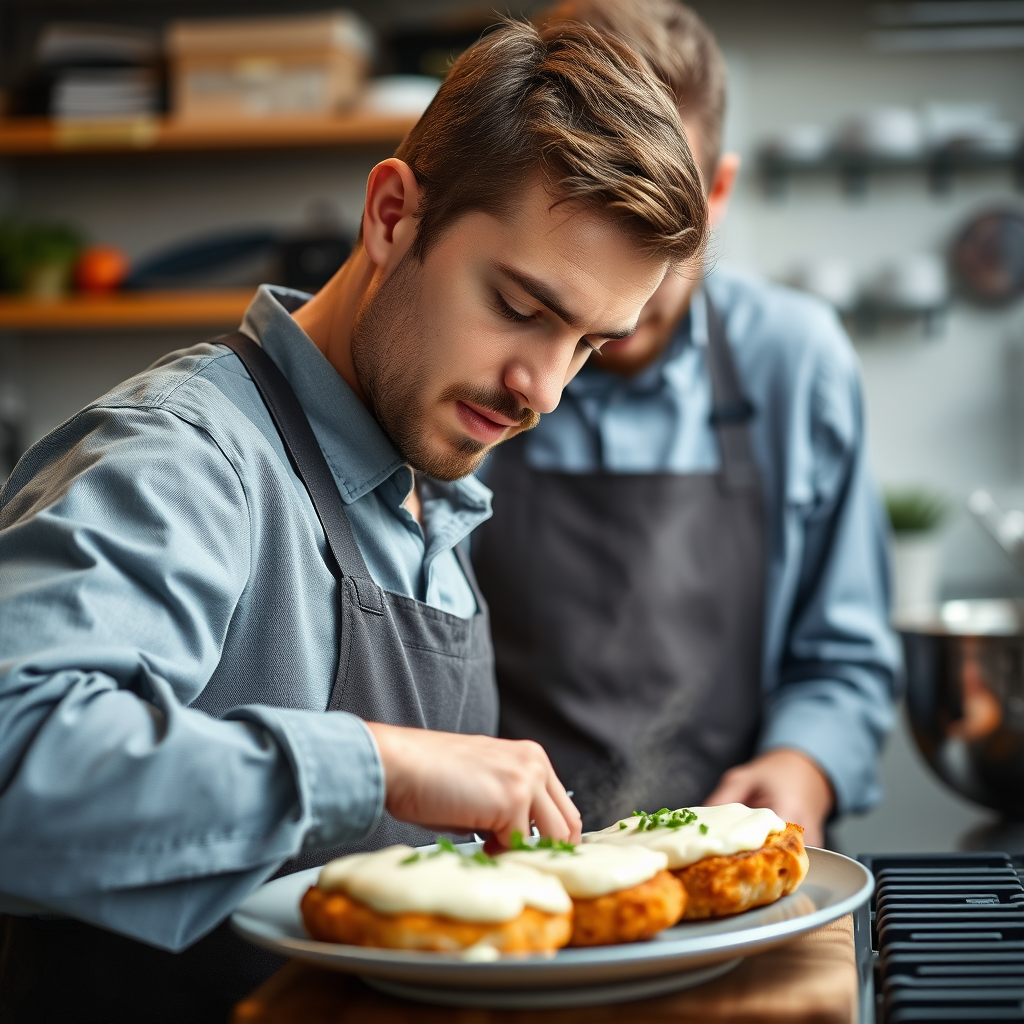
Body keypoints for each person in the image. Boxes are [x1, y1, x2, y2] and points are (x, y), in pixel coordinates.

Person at [0, 19, 707, 1023]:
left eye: (588, 344)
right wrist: (378, 761)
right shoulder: (187, 459)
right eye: (518, 306)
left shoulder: (433, 496)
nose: (541, 388)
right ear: (390, 217)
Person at [473, 0, 901, 847]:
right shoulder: (474, 373)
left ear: (719, 190)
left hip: (731, 867)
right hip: (513, 874)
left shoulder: (796, 359)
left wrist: (804, 764)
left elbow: (845, 659)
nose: (629, 287)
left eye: (666, 217)